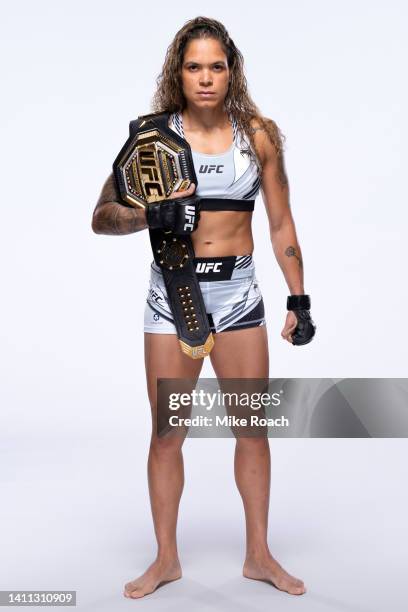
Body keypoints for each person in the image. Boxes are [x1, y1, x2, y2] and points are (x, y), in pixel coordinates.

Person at [92, 16, 309, 599]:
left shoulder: (257, 134)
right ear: (178, 73)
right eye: (194, 67)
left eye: (216, 66)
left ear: (231, 70)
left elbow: (281, 221)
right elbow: (103, 216)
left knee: (252, 429)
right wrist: (149, 216)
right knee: (167, 434)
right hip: (173, 293)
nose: (206, 78)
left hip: (238, 293)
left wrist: (299, 297)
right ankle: (166, 559)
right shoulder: (153, 137)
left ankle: (259, 555)